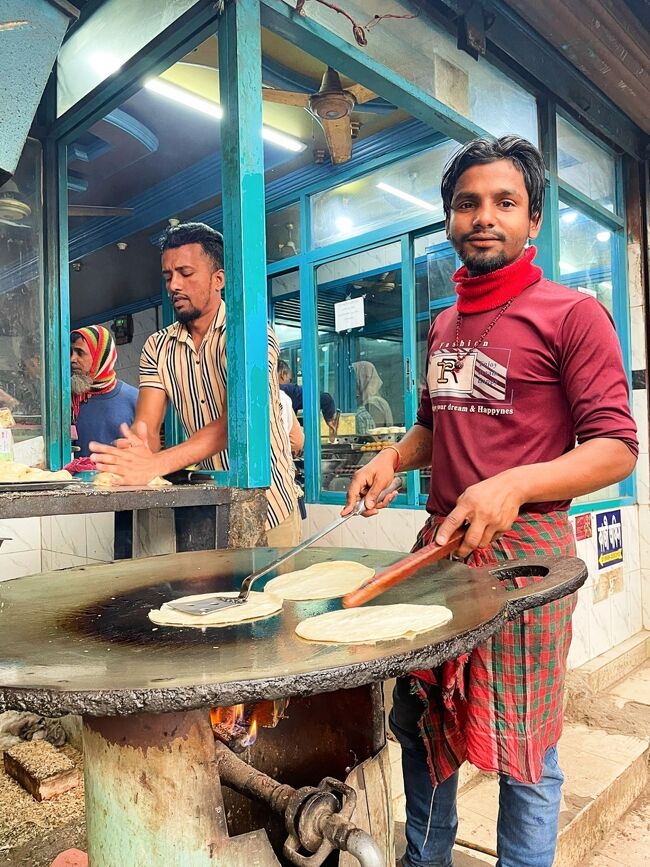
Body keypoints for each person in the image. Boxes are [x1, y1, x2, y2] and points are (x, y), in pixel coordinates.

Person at [343, 136, 637, 867]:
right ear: (448, 219)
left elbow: (617, 445)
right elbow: (434, 425)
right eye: (467, 202)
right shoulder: (444, 324)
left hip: (528, 563)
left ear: (533, 219)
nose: (484, 216)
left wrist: (515, 483)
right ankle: (426, 857)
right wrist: (391, 457)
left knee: (524, 746)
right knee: (422, 723)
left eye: (505, 202)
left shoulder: (573, 315)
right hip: (442, 553)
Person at [89, 222, 301, 546]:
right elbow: (146, 423)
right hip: (209, 513)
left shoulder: (251, 333)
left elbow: (239, 422)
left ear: (218, 279)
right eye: (168, 276)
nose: (174, 285)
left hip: (270, 507)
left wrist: (156, 463)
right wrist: (136, 452)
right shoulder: (157, 348)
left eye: (185, 273)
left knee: (275, 597)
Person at [70, 325, 138, 457]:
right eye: (71, 352)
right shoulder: (69, 398)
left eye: (79, 352)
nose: (72, 359)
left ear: (100, 356)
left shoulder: (135, 399)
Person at [278, 359, 339, 440]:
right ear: (283, 375)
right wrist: (330, 419)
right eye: (290, 379)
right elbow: (325, 399)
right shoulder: (286, 391)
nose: (289, 383)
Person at [352, 360, 393, 434]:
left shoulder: (372, 404)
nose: (354, 384)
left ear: (361, 379)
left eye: (355, 379)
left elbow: (375, 437)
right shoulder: (376, 401)